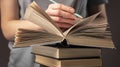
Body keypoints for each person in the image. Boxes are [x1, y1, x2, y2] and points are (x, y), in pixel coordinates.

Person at [1, 0, 108, 67]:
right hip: (26, 61)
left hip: (76, 59)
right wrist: (43, 22)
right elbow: (7, 28)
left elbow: (101, 23)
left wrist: (75, 22)